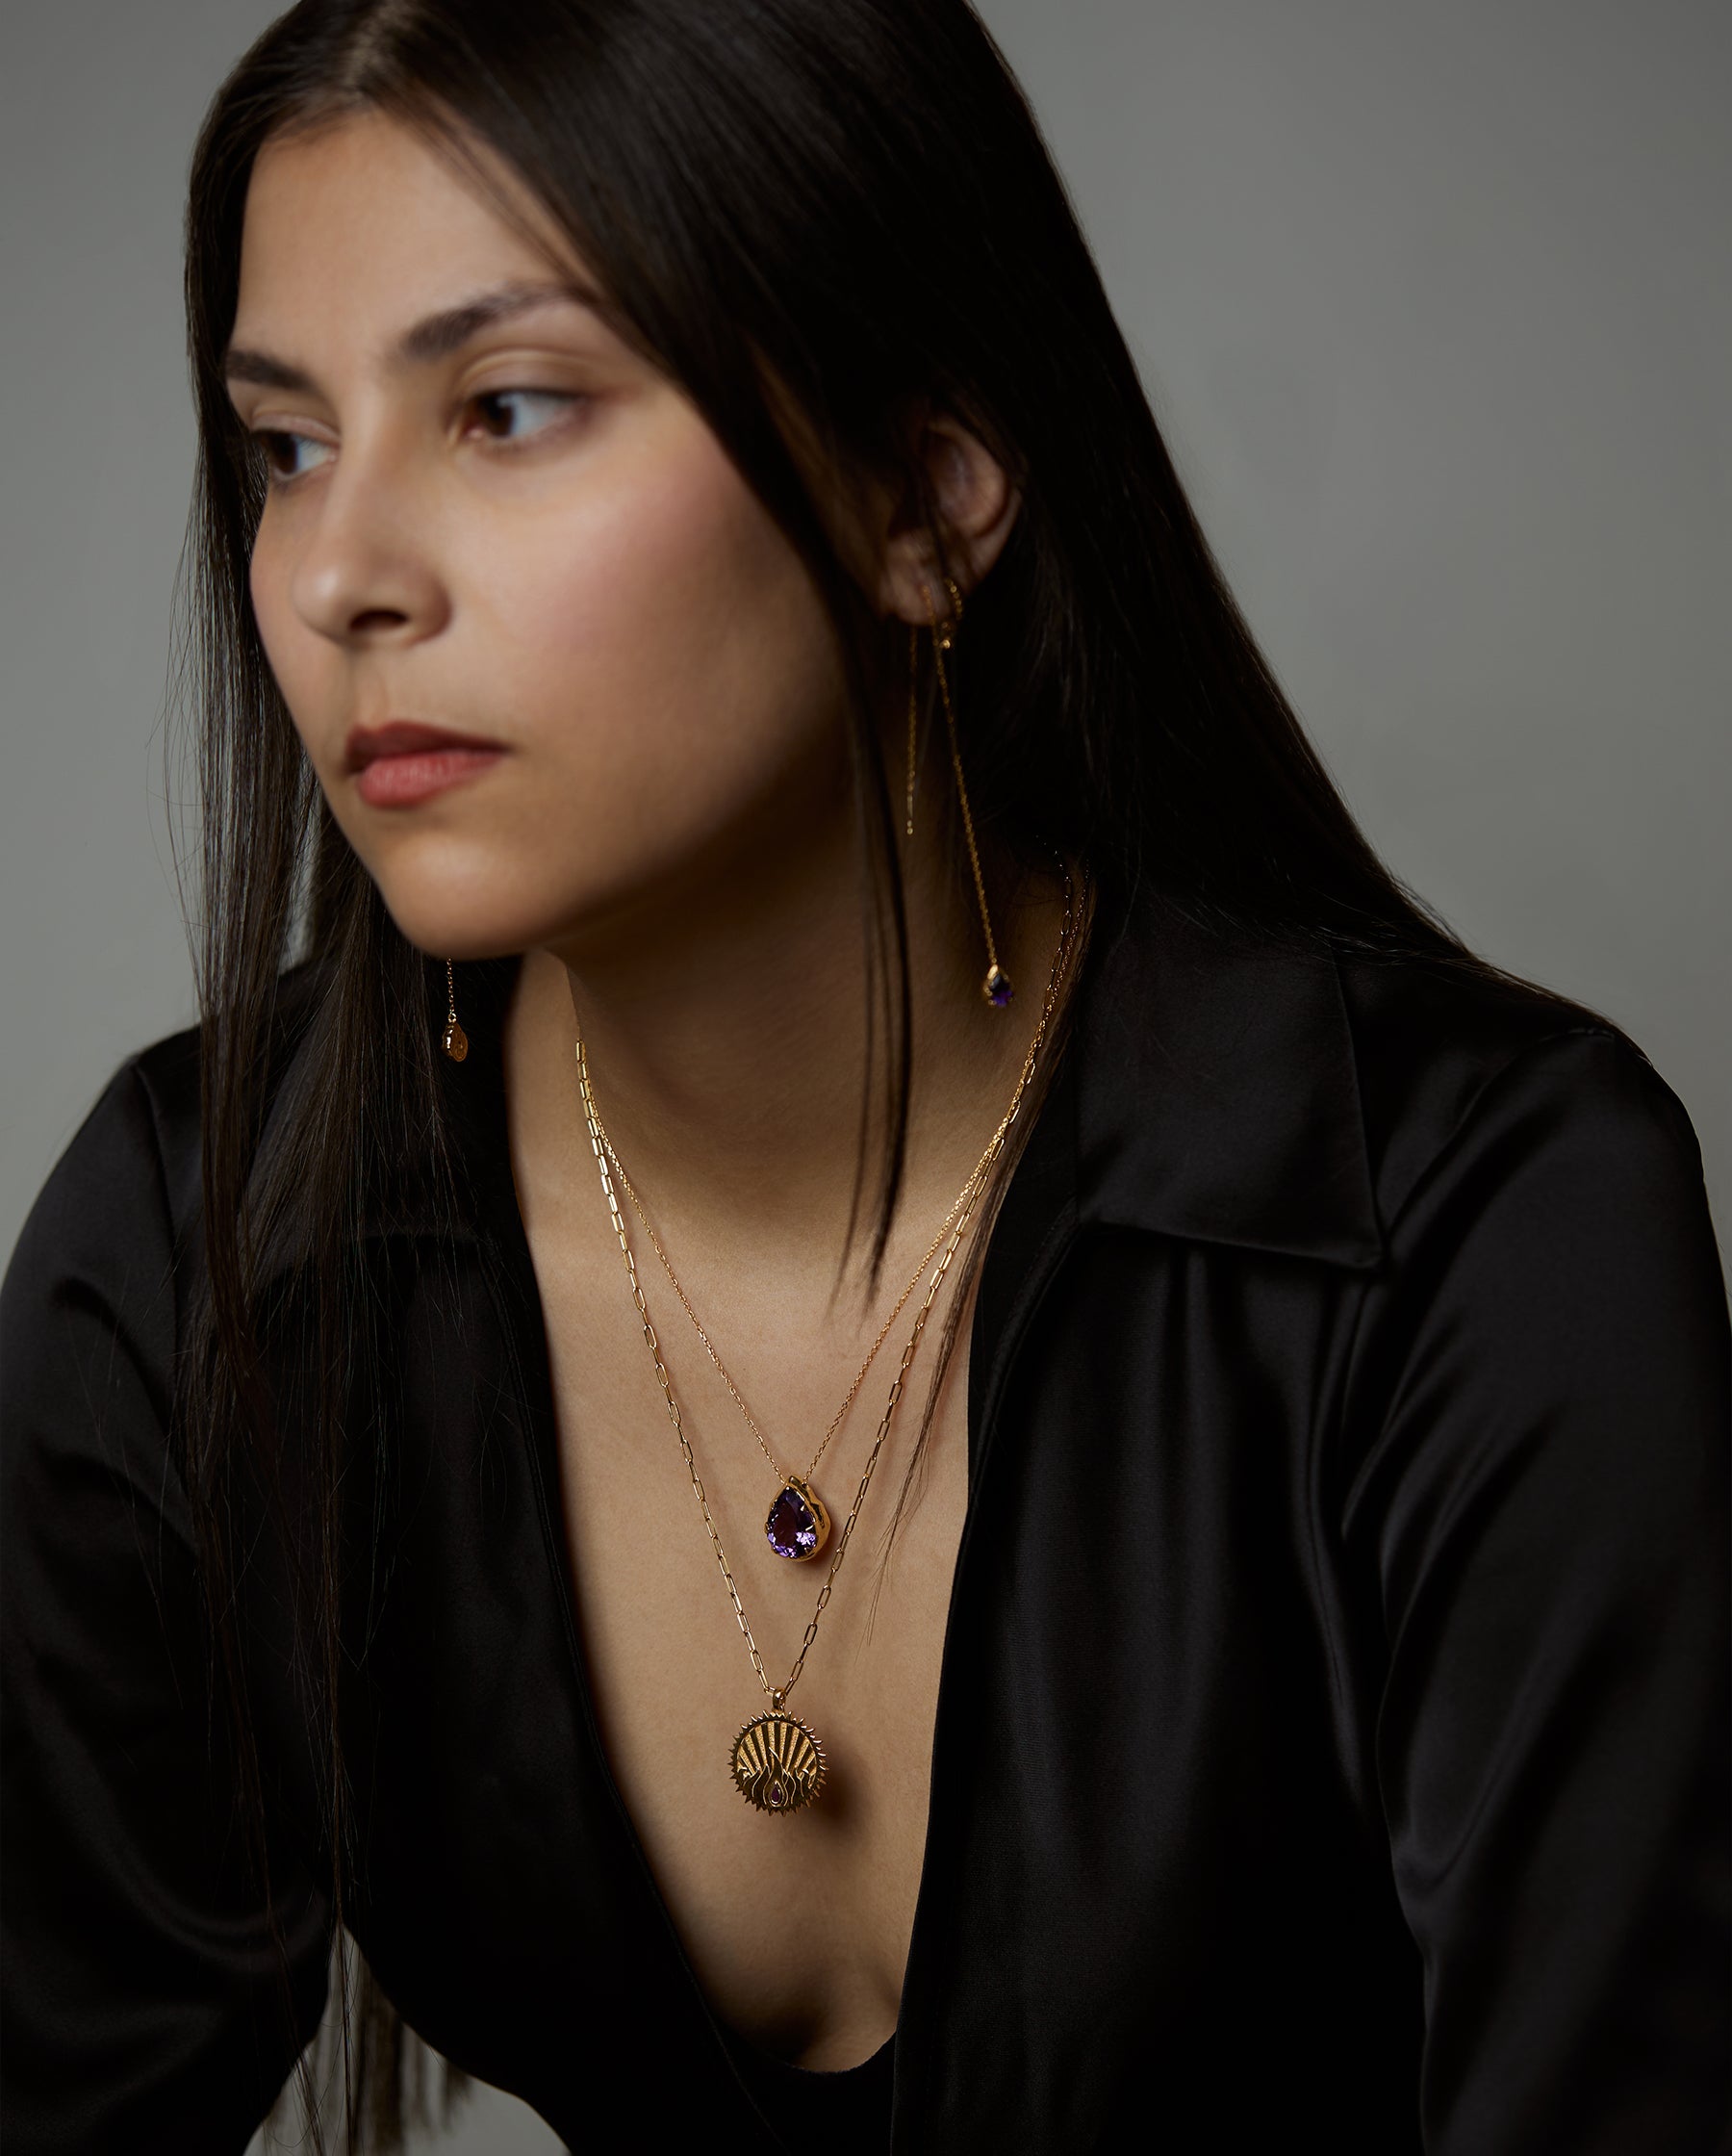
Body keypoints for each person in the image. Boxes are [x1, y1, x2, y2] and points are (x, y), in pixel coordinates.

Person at [2, 1, 1726, 2150]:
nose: (341, 574)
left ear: (928, 493)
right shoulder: (193, 1258)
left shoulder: (1468, 1231)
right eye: (283, 444)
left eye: (509, 406)